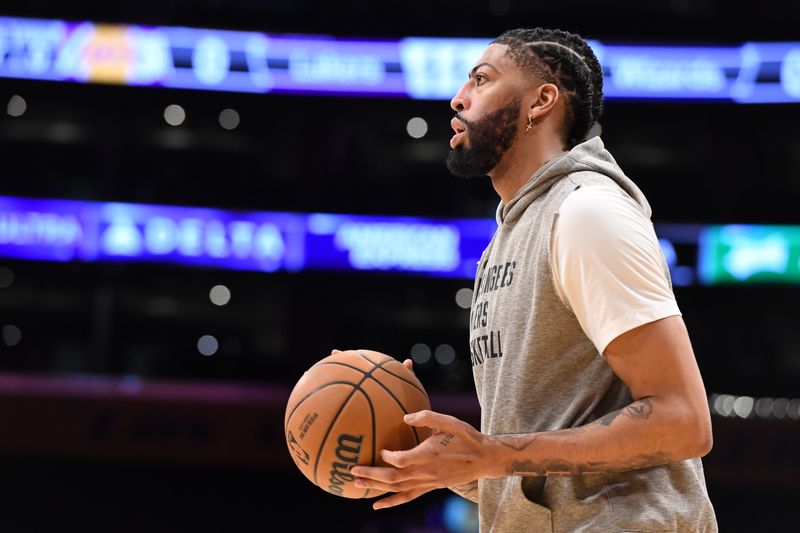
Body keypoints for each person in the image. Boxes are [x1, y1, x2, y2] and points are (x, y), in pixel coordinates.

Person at [348, 27, 718, 532]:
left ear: (540, 102)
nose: (458, 98)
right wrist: (452, 466)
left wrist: (490, 453)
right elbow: (537, 466)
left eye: (481, 79)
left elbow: (684, 422)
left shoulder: (586, 209)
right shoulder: (511, 235)